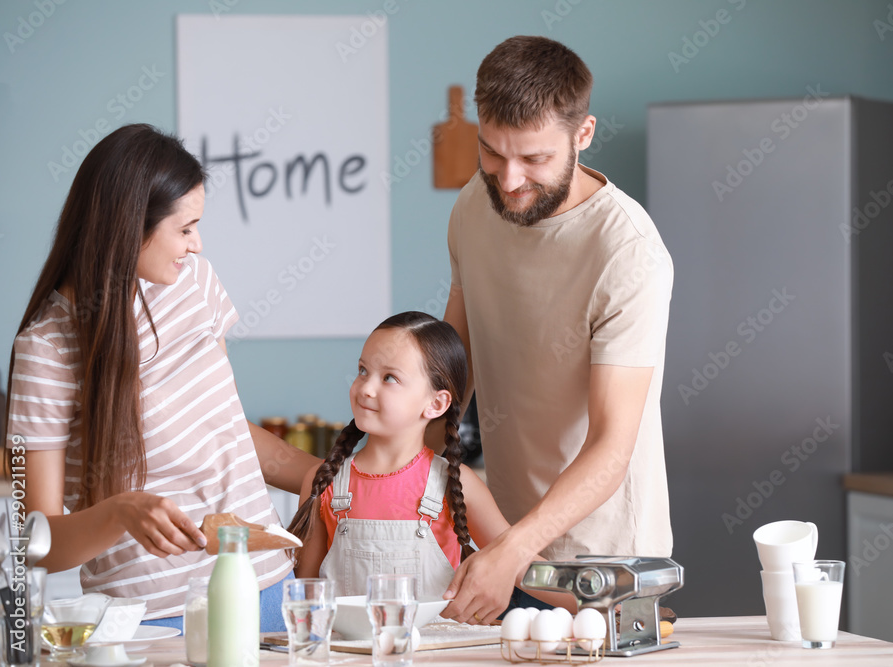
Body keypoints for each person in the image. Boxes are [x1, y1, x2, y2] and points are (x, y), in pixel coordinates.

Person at [3, 124, 321, 630]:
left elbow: (226, 430)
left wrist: (325, 476)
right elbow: (32, 541)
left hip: (268, 592)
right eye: (185, 227)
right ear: (130, 226)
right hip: (155, 621)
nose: (197, 244)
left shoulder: (195, 283)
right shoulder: (44, 349)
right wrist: (119, 512)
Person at [440, 36, 675, 624]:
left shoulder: (627, 251)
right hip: (499, 535)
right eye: (492, 152)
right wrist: (407, 481)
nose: (510, 179)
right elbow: (453, 365)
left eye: (535, 159)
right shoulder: (475, 203)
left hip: (604, 566)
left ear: (584, 134)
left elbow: (611, 448)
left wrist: (514, 550)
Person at [289, 311, 574, 610]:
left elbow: (519, 563)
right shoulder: (322, 482)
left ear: (436, 404)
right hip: (349, 656)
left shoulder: (455, 483)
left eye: (389, 378)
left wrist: (601, 601)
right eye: (363, 370)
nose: (366, 388)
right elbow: (305, 595)